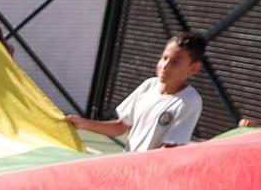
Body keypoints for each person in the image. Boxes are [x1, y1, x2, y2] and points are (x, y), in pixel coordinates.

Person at [63, 31, 206, 153]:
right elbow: (120, 127)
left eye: (175, 62)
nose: (165, 66)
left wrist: (139, 167)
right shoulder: (148, 85)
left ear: (193, 68)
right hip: (129, 170)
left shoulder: (189, 101)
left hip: (150, 177)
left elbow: (170, 148)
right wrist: (83, 123)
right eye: (164, 58)